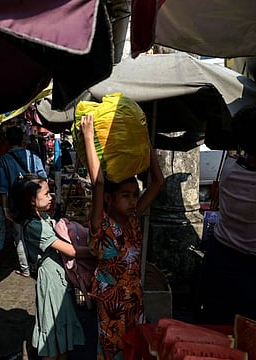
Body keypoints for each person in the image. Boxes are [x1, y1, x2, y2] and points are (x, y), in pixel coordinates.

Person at [194, 102, 256, 325]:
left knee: (212, 324)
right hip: (253, 269)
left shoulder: (230, 169)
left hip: (218, 257)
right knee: (241, 326)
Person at [81, 114, 164, 360]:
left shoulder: (134, 219)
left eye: (134, 195)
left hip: (134, 299)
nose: (132, 201)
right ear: (109, 199)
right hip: (111, 304)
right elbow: (98, 183)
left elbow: (158, 182)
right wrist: (88, 136)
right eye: (125, 195)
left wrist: (146, 143)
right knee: (111, 353)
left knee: (134, 350)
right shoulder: (101, 224)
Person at [11, 173, 90, 359]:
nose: (50, 196)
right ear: (32, 200)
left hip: (57, 277)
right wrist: (96, 252)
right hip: (51, 280)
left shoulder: (42, 217)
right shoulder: (34, 226)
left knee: (61, 330)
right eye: (46, 193)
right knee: (53, 332)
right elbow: (71, 251)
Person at [0, 125, 47, 277]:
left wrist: (5, 209)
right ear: (22, 139)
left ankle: (25, 268)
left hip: (15, 204)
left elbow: (3, 187)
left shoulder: (3, 160)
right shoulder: (32, 156)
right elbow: (43, 177)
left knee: (19, 237)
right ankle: (40, 264)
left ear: (7, 140)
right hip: (34, 201)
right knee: (38, 231)